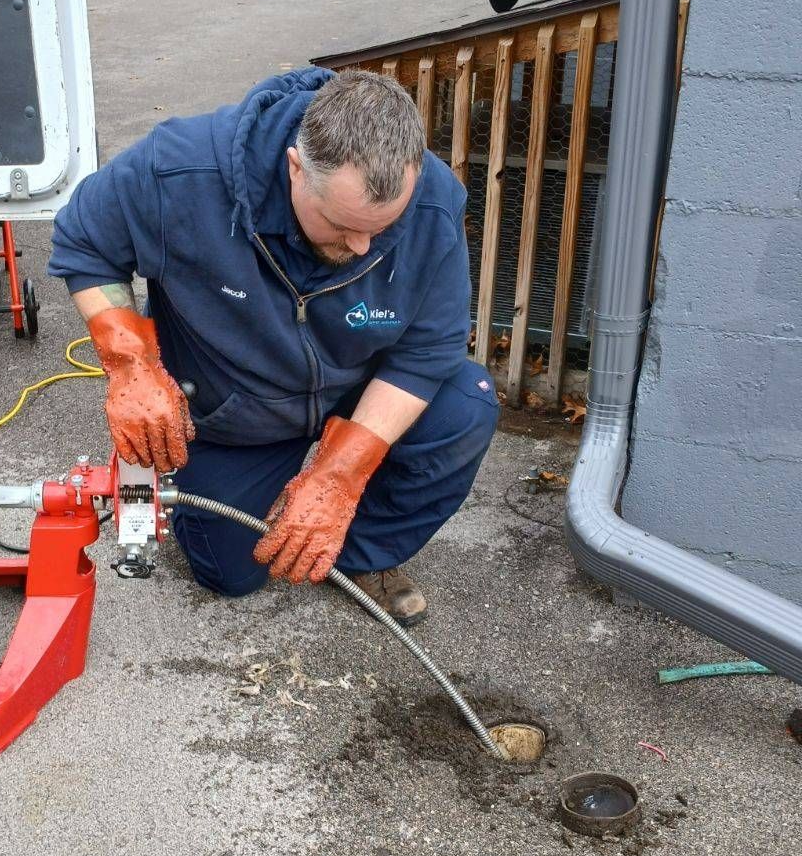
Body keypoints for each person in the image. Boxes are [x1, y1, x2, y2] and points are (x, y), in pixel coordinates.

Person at [48, 67, 498, 625]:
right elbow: (85, 242)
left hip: (358, 382)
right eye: (340, 226)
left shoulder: (432, 203)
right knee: (231, 573)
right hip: (237, 401)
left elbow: (427, 352)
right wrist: (130, 366)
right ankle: (215, 496)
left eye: (381, 230)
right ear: (295, 168)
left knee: (467, 402)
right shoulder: (183, 168)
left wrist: (341, 475)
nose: (362, 249)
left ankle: (357, 557)